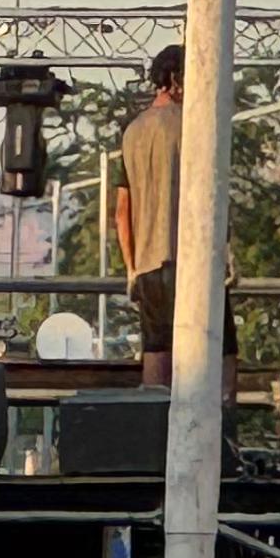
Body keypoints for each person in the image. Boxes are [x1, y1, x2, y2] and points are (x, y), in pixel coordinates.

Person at [114, 44, 186, 387]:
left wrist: (131, 268)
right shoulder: (194, 127)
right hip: (190, 261)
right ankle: (217, 436)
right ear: (177, 79)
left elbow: (121, 212)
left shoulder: (132, 132)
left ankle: (156, 430)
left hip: (147, 265)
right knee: (218, 352)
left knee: (156, 350)